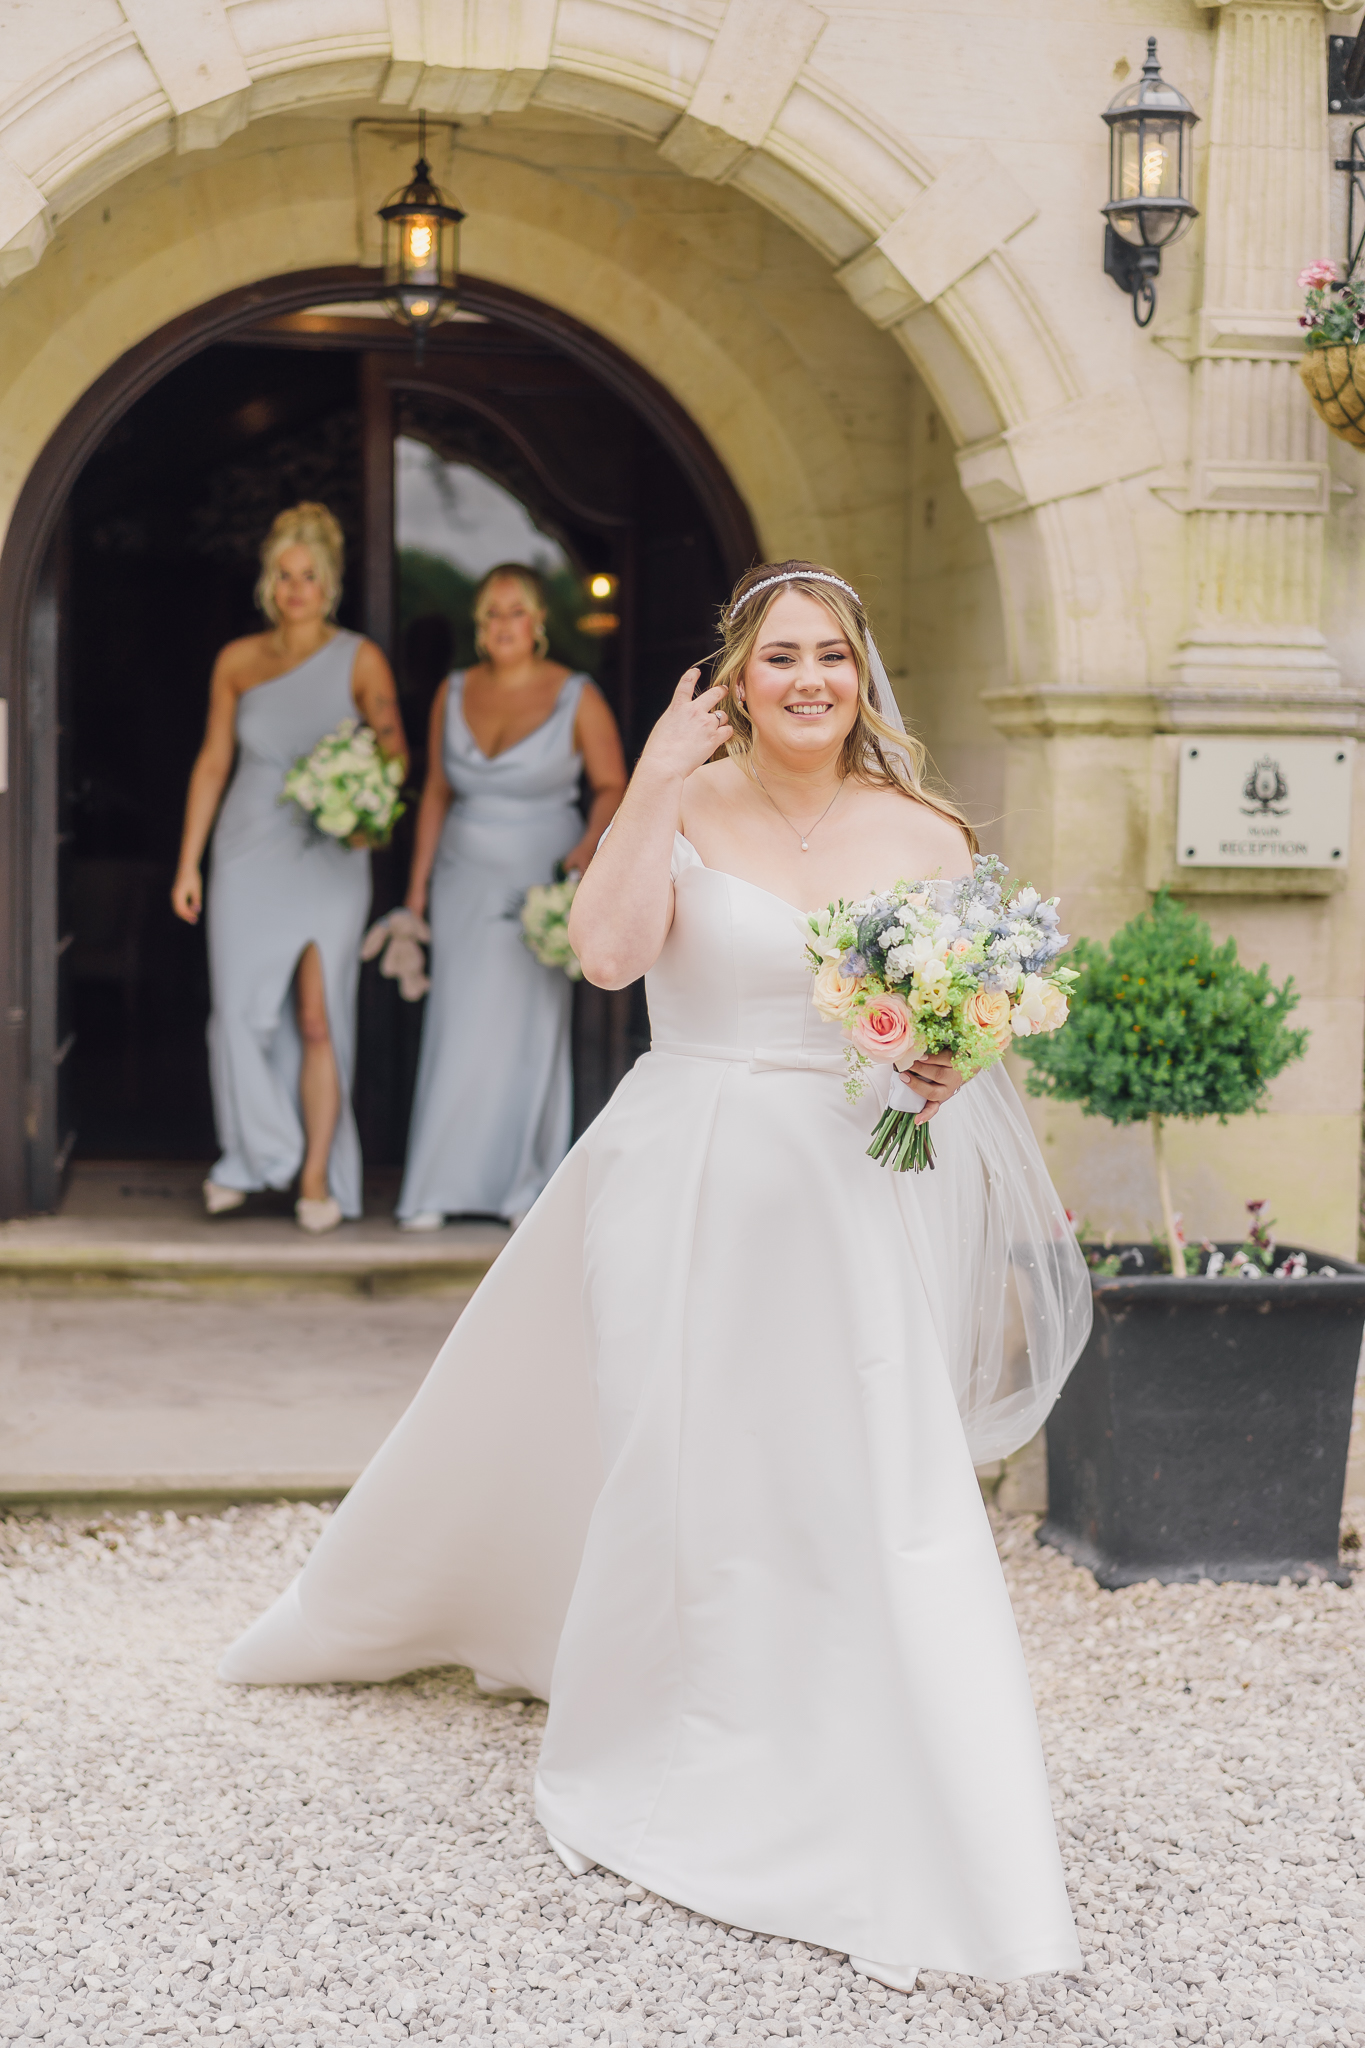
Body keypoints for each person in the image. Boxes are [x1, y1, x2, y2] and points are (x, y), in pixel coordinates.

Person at [219, 560, 1092, 1987]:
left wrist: (944, 1057)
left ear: (860, 675)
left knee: (858, 1462)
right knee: (679, 1452)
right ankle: (679, 1715)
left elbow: (962, 1025)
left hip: (848, 1186)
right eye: (778, 657)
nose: (806, 679)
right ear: (738, 678)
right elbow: (613, 957)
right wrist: (654, 783)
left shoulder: (924, 834)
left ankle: (888, 1744)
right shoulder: (683, 803)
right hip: (682, 1171)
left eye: (830, 655)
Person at [172, 503, 407, 1232]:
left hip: (328, 856)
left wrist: (366, 817)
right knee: (238, 1017)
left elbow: (394, 753)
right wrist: (189, 864)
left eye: (309, 576)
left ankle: (313, 1177)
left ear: (329, 583)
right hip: (244, 851)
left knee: (314, 1019)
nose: (295, 587)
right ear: (268, 583)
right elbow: (213, 762)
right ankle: (250, 1161)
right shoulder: (237, 661)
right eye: (284, 574)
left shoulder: (360, 657)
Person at [395, 563, 626, 1230]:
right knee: (457, 1027)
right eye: (491, 615)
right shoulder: (453, 690)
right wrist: (415, 890)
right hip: (461, 878)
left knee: (529, 1032)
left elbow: (612, 783)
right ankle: (435, 1185)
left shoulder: (575, 695)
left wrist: (587, 851)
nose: (502, 626)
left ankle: (520, 1189)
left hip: (541, 881)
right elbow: (436, 788)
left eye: (515, 613)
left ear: (538, 623)